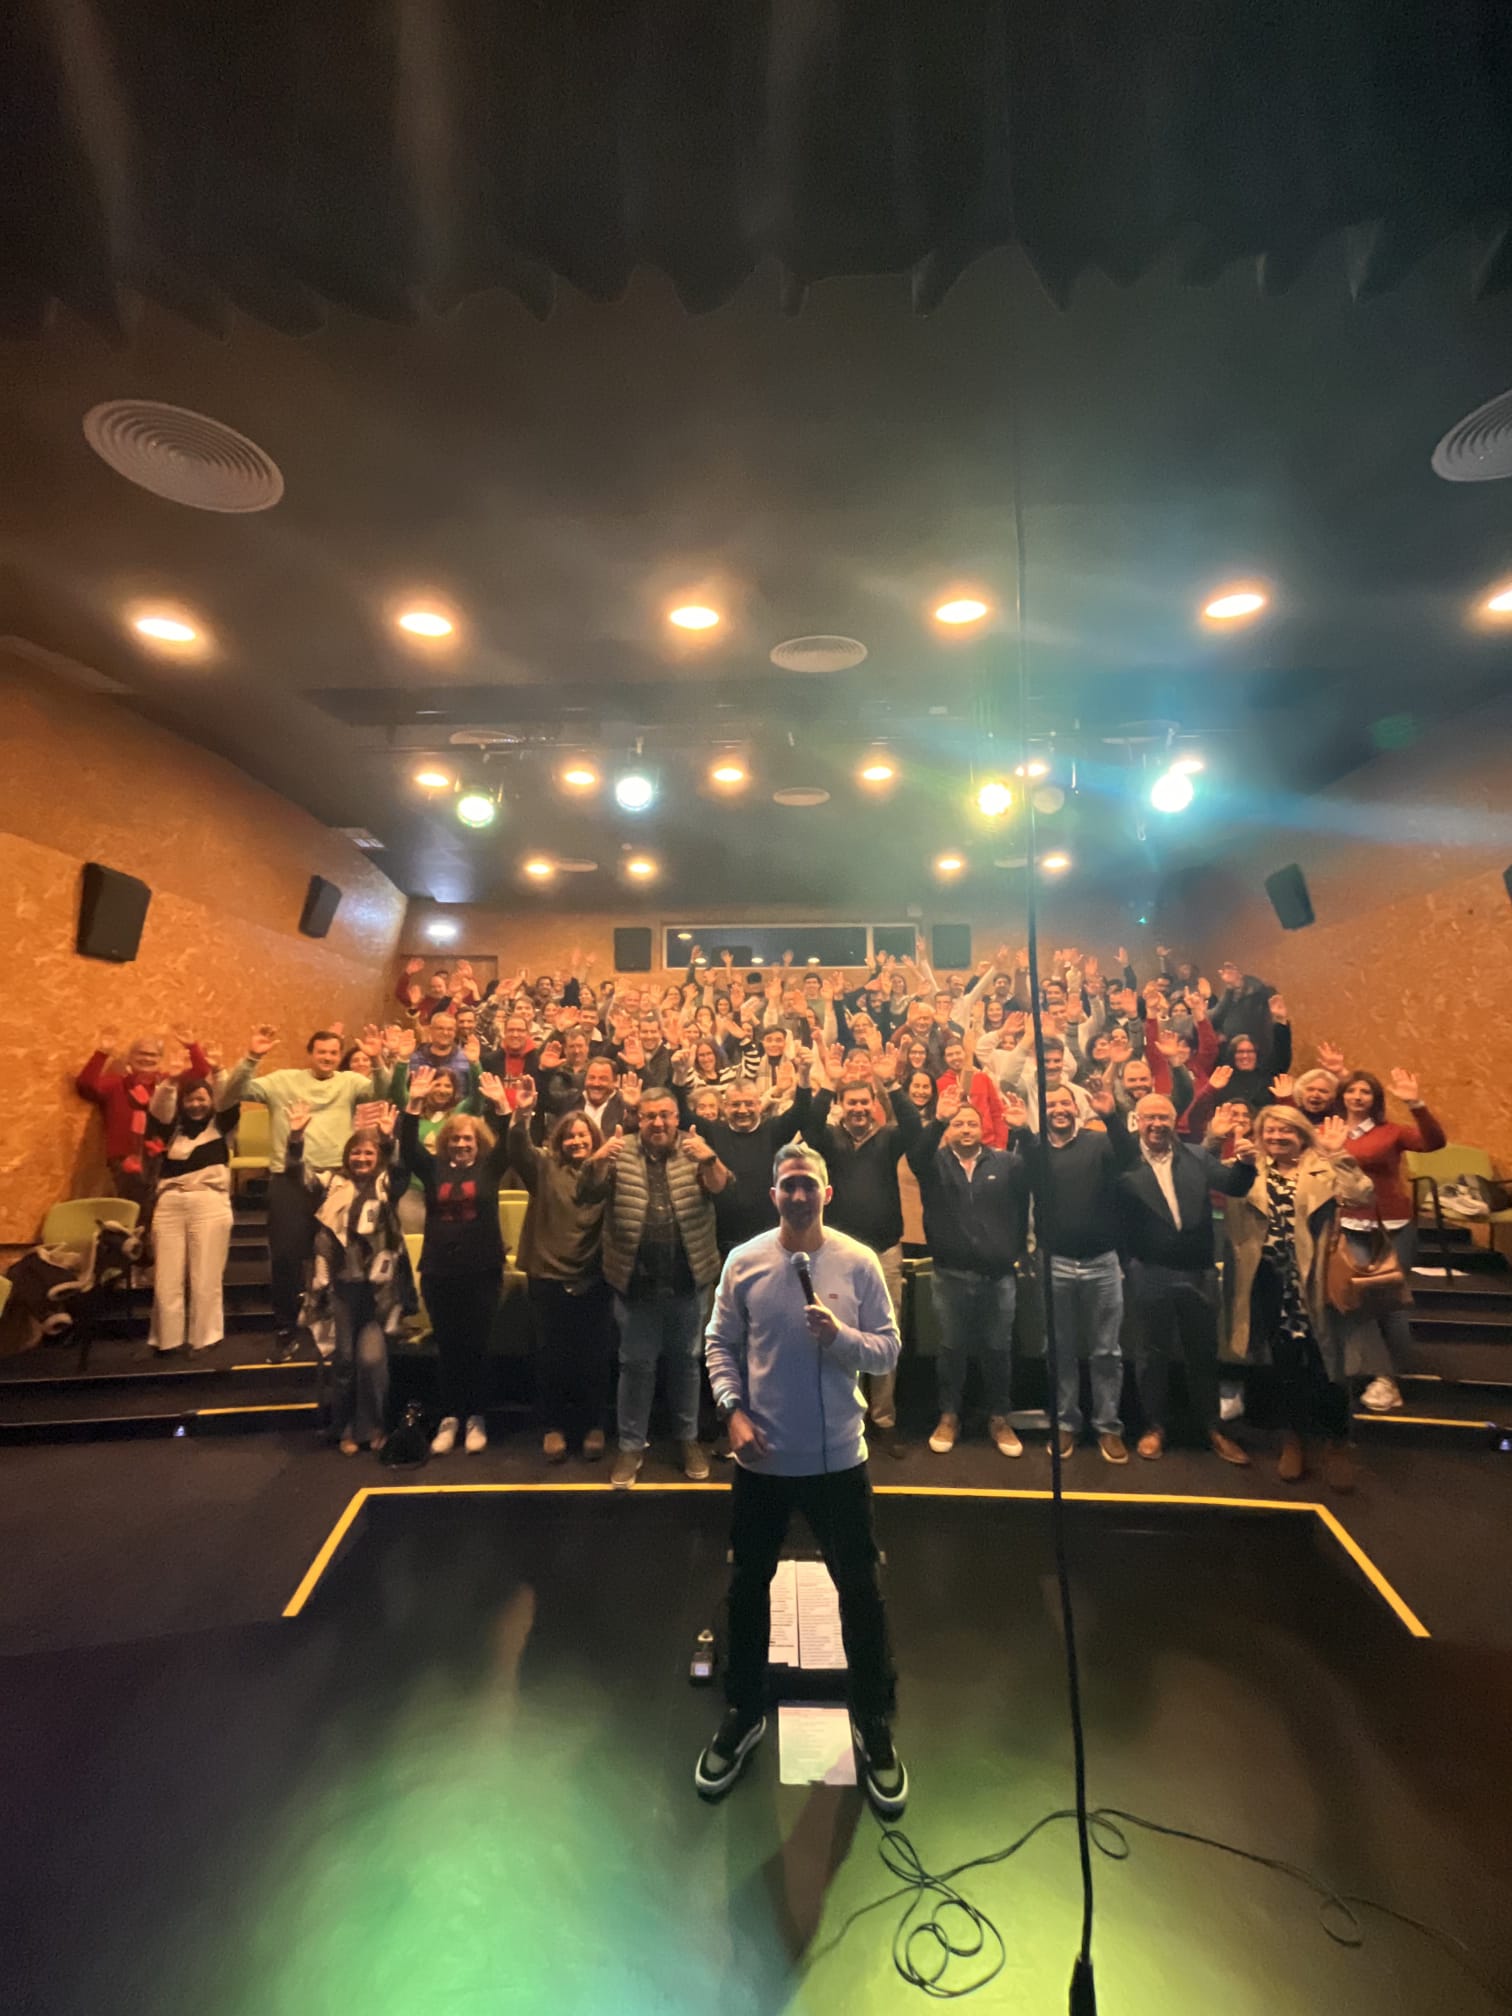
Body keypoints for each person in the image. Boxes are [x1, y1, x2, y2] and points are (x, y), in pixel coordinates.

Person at [698, 1143, 905, 1815]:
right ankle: (743, 1710)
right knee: (747, 1587)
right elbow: (719, 1344)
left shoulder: (859, 1262)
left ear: (827, 1192)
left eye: (808, 1184)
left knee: (860, 1591)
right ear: (774, 1194)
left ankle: (872, 1719)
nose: (797, 1194)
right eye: (787, 1184)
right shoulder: (745, 1262)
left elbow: (888, 1349)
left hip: (839, 1461)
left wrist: (840, 1337)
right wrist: (732, 1412)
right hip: (763, 1460)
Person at [579, 1087, 729, 1488]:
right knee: (636, 1366)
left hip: (688, 1279)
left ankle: (687, 1440)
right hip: (635, 1282)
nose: (658, 1122)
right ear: (638, 1119)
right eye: (650, 1116)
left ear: (677, 1118)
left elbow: (720, 1187)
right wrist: (597, 1161)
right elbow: (586, 1194)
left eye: (665, 1115)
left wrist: (709, 1158)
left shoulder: (695, 1149)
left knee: (686, 1363)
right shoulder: (619, 1150)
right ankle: (631, 1446)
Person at [1220, 1105, 1374, 1490]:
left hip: (1315, 1278)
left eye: (1285, 1131)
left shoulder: (1322, 1166)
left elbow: (1362, 1194)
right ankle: (1293, 1439)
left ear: (1302, 1135)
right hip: (1269, 1281)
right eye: (1269, 1131)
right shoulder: (1248, 1167)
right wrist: (1216, 1143)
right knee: (1284, 1363)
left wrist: (1339, 1154)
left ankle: (1336, 1443)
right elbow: (1209, 1181)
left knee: (1328, 1363)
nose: (1276, 1137)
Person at [218, 1026, 388, 1360]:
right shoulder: (282, 1081)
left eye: (333, 1053)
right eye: (321, 1052)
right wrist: (252, 1057)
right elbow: (230, 1095)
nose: (327, 1058)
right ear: (310, 1054)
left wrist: (378, 1060)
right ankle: (286, 1330)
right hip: (290, 1178)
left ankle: (337, 1326)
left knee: (340, 1257)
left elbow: (383, 1093)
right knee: (285, 1258)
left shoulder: (349, 1082)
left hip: (338, 1180)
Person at [1116, 1093, 1257, 1464]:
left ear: (1174, 1121)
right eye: (1149, 1118)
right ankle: (1154, 1427)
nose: (1156, 1124)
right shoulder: (1123, 1162)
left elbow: (1235, 1185)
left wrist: (1246, 1164)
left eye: (1163, 1117)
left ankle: (1212, 1428)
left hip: (1198, 1272)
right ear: (1137, 1121)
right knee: (1151, 1354)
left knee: (1203, 1354)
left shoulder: (1196, 1156)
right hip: (1148, 1271)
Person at [800, 1059, 927, 1447]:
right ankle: (846, 1415)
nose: (857, 1108)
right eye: (850, 1102)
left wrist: (892, 1084)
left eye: (864, 1102)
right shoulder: (828, 1140)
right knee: (841, 1333)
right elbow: (808, 1124)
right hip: (839, 1255)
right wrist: (828, 1085)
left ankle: (883, 1418)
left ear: (874, 1104)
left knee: (886, 1333)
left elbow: (914, 1128)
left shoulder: (889, 1138)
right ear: (841, 1105)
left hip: (886, 1250)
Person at [906, 1083, 1031, 1456]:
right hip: (950, 1275)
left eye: (971, 1124)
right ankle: (949, 1415)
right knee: (952, 1349)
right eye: (958, 1124)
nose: (965, 1129)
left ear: (982, 1129)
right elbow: (915, 1156)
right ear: (949, 1130)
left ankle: (999, 1417)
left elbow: (1033, 1186)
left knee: (998, 1349)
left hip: (998, 1277)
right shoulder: (934, 1163)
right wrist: (937, 1120)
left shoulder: (1006, 1163)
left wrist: (1024, 1131)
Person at [285, 1100, 412, 1456]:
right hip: (339, 1289)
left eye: (369, 1153)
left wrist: (389, 1140)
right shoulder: (332, 1183)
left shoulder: (386, 1184)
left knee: (371, 1361)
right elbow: (297, 1176)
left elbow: (401, 1172)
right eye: (356, 1153)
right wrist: (296, 1137)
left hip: (378, 1293)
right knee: (343, 1361)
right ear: (347, 1156)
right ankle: (342, 1427)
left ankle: (372, 1426)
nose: (361, 1158)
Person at [399, 1066, 513, 1456]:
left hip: (482, 1272)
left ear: (478, 1143)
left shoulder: (489, 1169)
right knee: (447, 1346)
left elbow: (509, 1144)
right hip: (439, 1272)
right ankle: (450, 1417)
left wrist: (502, 1108)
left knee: (477, 1345)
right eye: (456, 1139)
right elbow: (408, 1148)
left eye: (468, 1139)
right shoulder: (433, 1170)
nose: (462, 1144)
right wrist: (413, 1104)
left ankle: (476, 1416)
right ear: (445, 1143)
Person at [507, 1077, 613, 1463]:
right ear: (559, 1141)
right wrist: (521, 1115)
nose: (576, 1141)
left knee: (594, 1358)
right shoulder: (543, 1166)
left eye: (583, 1135)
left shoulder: (607, 1171)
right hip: (548, 1276)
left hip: (594, 1275)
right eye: (570, 1136)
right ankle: (553, 1427)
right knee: (552, 1357)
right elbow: (517, 1149)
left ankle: (594, 1425)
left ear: (595, 1139)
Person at [1335, 1068, 1445, 1412]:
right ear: (1342, 1096)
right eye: (1351, 1090)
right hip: (1348, 1226)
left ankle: (1390, 1379)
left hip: (1392, 1225)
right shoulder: (1330, 1131)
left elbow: (1433, 1143)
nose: (1357, 1097)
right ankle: (1372, 1371)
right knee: (1357, 1300)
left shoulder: (1391, 1132)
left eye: (1365, 1091)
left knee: (1390, 1301)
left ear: (1375, 1100)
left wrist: (1416, 1104)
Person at [1038, 1083, 1136, 1463]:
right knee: (1059, 1349)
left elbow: (1130, 1157)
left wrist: (1111, 1116)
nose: (1059, 1109)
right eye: (1051, 1104)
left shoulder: (1099, 1143)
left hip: (1102, 1263)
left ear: (1077, 1108)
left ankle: (1108, 1426)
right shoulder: (1037, 1150)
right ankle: (1066, 1422)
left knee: (1106, 1351)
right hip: (1056, 1263)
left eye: (1065, 1102)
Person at [143, 1076, 237, 1354]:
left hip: (209, 1201)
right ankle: (166, 1340)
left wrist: (220, 1073)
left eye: (201, 1099)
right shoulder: (172, 1130)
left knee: (205, 1276)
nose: (196, 1105)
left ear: (211, 1102)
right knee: (165, 1278)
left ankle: (205, 1338)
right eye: (190, 1099)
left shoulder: (221, 1126)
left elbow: (230, 1100)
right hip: (170, 1202)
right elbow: (158, 1109)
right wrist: (170, 1082)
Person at [76, 1028, 212, 1207]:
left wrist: (192, 1046)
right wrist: (102, 1053)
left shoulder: (168, 1082)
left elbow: (201, 1071)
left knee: (163, 1209)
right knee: (134, 1209)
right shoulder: (116, 1084)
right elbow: (85, 1085)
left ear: (160, 1059)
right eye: (141, 1053)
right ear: (130, 1057)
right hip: (125, 1161)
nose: (147, 1058)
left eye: (153, 1055)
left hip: (163, 1157)